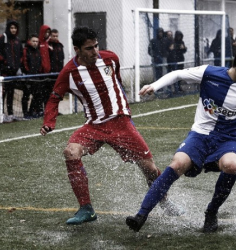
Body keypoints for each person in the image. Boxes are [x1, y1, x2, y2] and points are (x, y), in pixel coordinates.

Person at [40, 26, 183, 225]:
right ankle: (86, 209)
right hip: (94, 126)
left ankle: (164, 201)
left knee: (149, 168)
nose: (95, 52)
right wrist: (49, 122)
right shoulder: (69, 73)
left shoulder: (110, 59)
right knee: (71, 152)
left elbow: (117, 82)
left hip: (121, 123)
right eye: (89, 48)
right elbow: (54, 97)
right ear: (77, 50)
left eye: (96, 46)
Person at [126, 46, 236, 233]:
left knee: (232, 165)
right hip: (201, 134)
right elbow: (177, 74)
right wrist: (154, 86)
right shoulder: (209, 73)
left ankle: (211, 212)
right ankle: (141, 215)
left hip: (228, 139)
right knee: (177, 164)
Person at [0, 20, 23, 123]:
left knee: (11, 92)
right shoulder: (2, 38)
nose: (13, 30)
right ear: (8, 28)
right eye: (11, 28)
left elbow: (21, 54)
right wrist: (5, 61)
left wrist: (18, 64)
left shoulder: (18, 41)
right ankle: (1, 114)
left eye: (15, 28)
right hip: (4, 72)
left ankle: (10, 114)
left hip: (13, 72)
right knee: (3, 92)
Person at [21, 34, 42, 119]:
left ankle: (31, 111)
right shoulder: (26, 50)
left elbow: (40, 63)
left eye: (37, 41)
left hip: (36, 77)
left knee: (37, 95)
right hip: (28, 77)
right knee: (26, 96)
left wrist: (37, 72)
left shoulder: (37, 51)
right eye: (33, 41)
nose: (35, 43)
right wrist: (28, 73)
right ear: (29, 41)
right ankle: (25, 114)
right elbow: (24, 62)